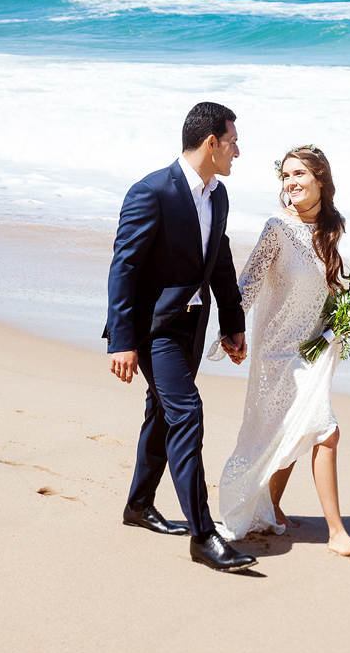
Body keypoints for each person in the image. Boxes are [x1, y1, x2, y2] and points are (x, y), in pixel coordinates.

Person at [104, 102, 257, 572]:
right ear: (211, 142)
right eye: (232, 140)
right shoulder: (152, 191)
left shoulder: (219, 195)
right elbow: (124, 266)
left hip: (191, 325)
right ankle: (203, 535)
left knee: (164, 412)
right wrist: (122, 341)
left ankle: (139, 504)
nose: (238, 149)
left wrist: (232, 322)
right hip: (153, 331)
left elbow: (221, 259)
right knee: (186, 412)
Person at [211, 145, 350, 557]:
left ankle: (274, 508)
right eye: (285, 176)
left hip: (314, 349)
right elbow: (249, 283)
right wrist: (231, 331)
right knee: (326, 431)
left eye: (300, 174)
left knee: (297, 427)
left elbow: (335, 291)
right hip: (277, 353)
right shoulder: (277, 228)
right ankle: (336, 533)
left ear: (321, 181)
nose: (291, 182)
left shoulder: (333, 229)